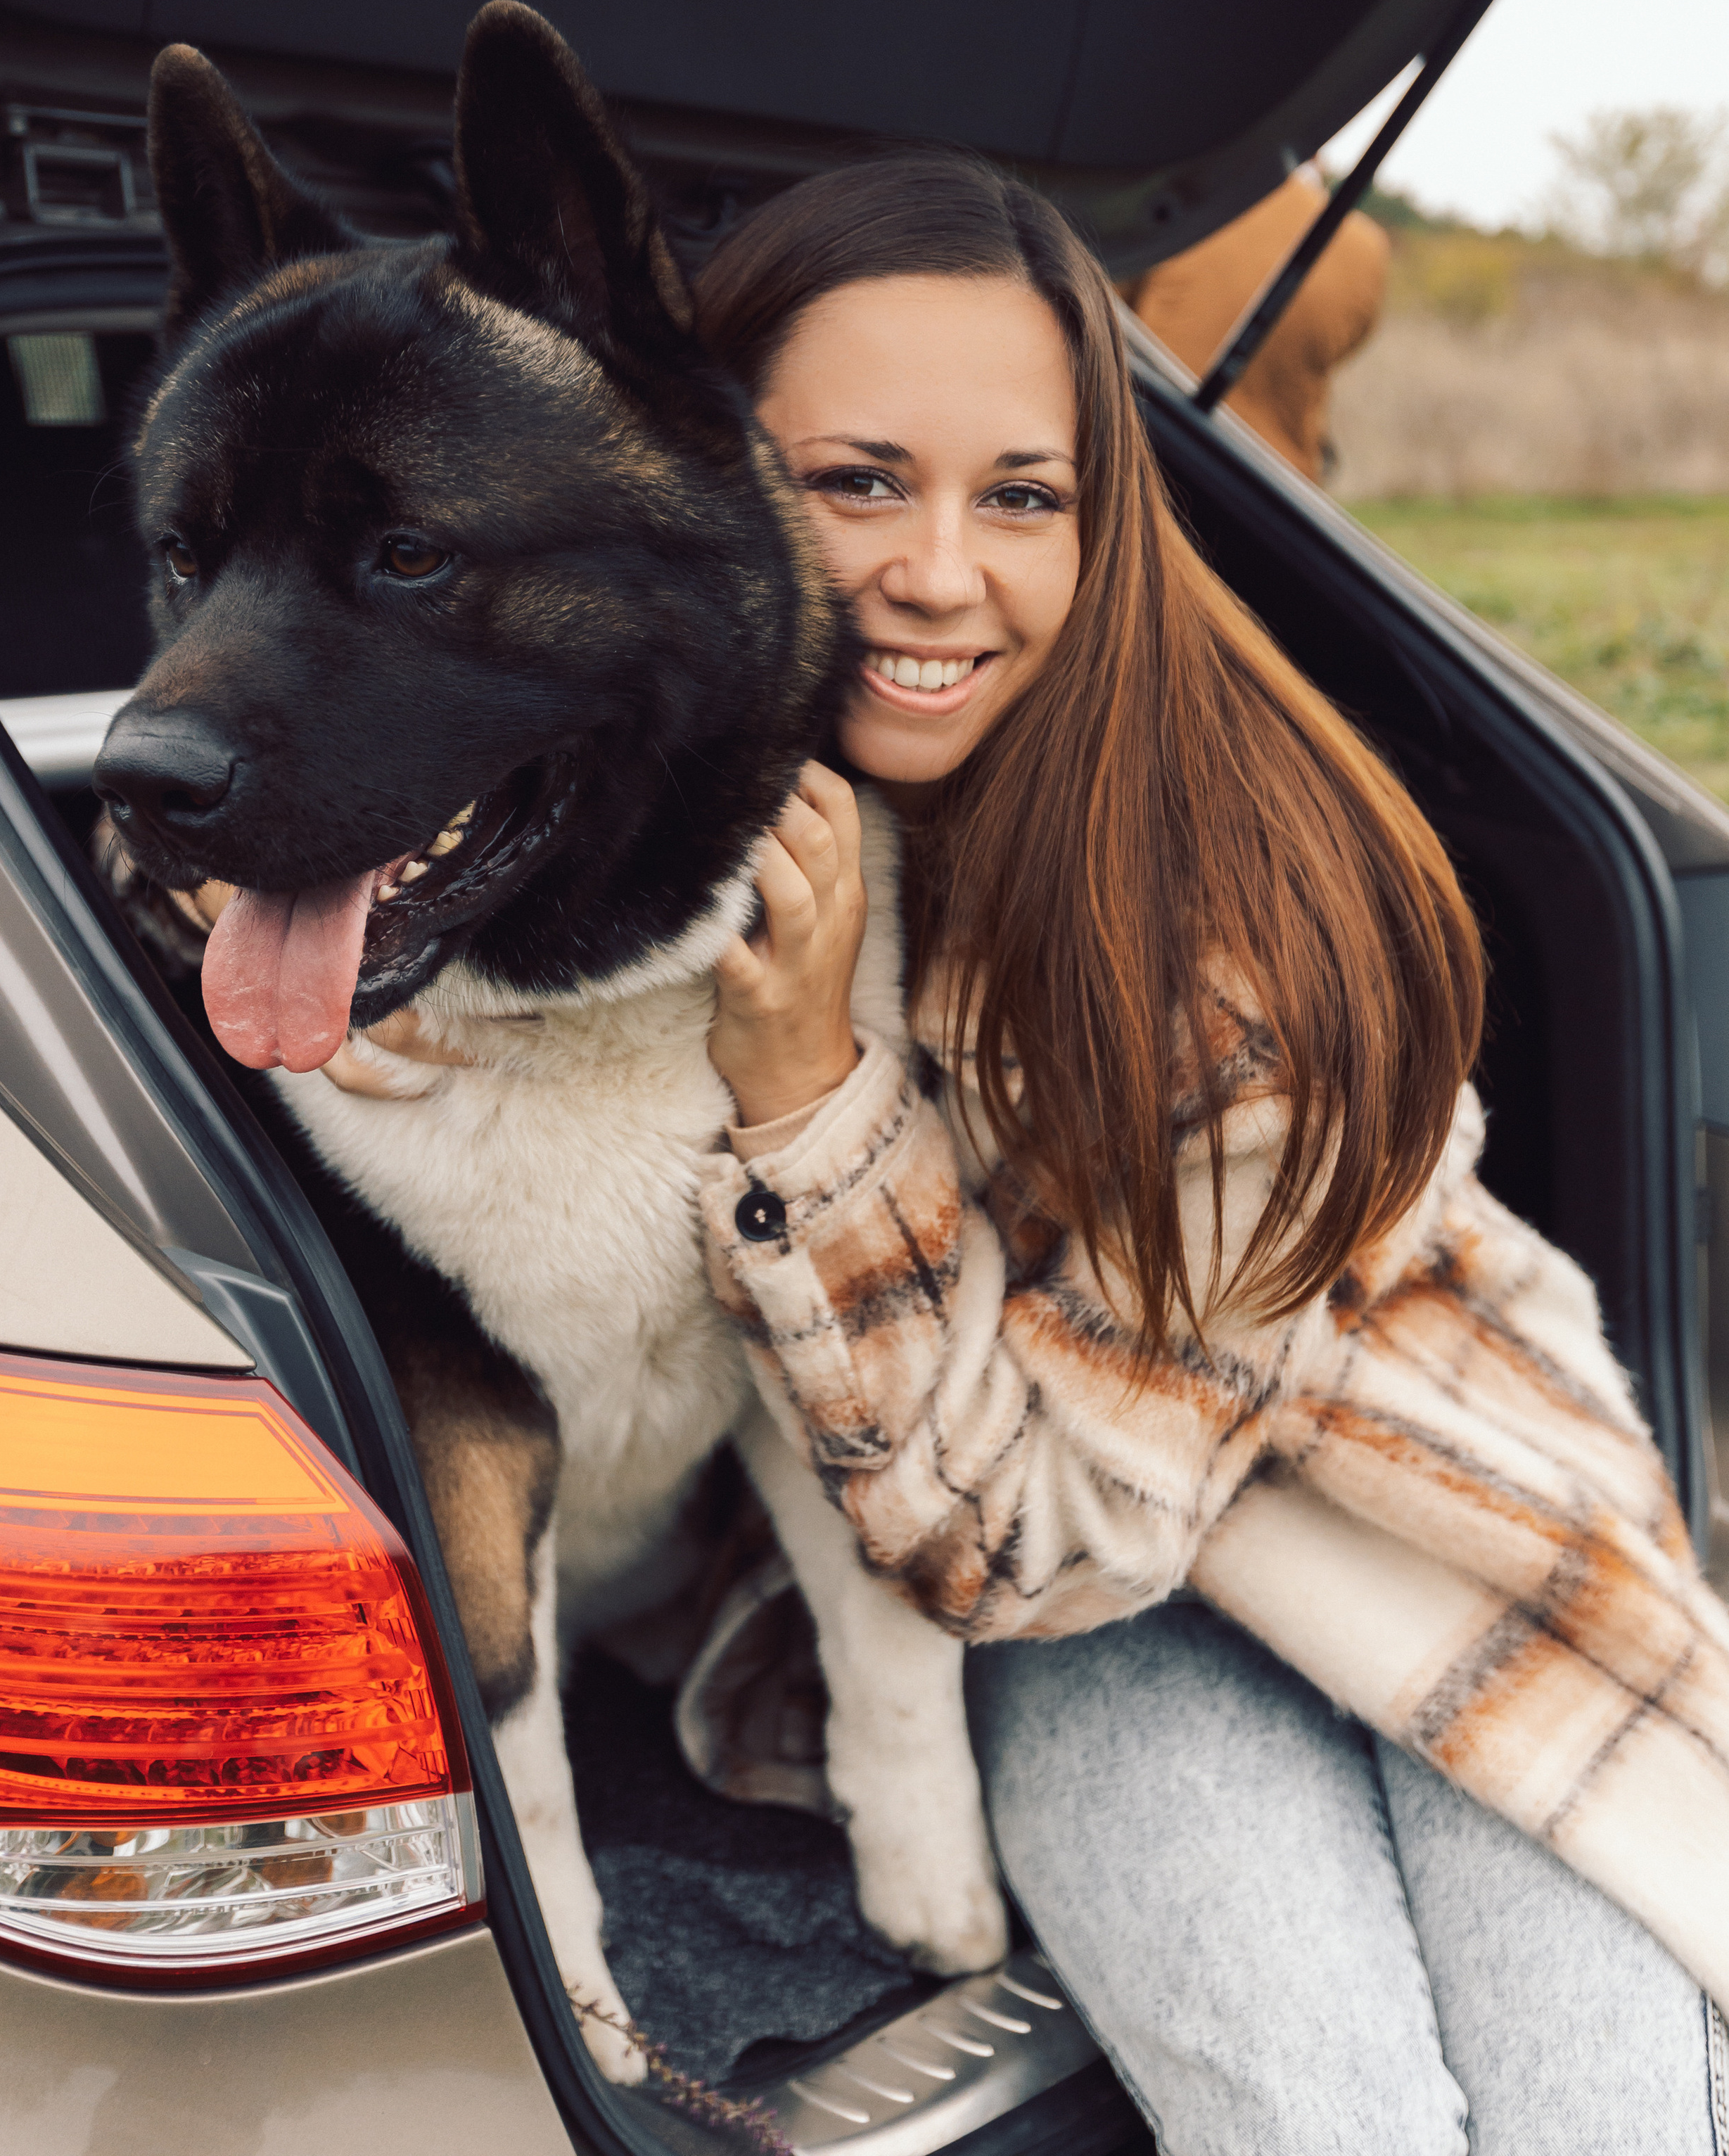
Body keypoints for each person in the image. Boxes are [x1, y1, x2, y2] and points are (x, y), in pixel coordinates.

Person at [689, 153, 1729, 2156]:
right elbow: (280, 765)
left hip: (1422, 1539)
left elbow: (1027, 1541)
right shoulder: (673, 758)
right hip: (1097, 1614)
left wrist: (811, 1089)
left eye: (1021, 495)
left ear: (1106, 522)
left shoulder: (1230, 930)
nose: (937, 569)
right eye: (855, 481)